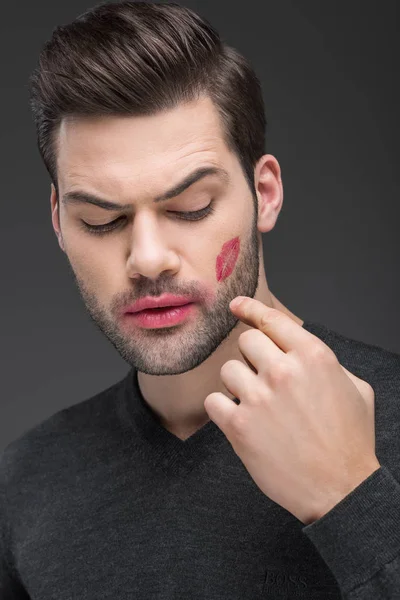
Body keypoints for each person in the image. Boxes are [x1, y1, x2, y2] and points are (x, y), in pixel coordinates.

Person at [1, 2, 400, 598]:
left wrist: (350, 495)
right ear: (59, 222)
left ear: (264, 194)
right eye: (102, 220)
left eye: (190, 208)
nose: (147, 258)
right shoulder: (25, 481)